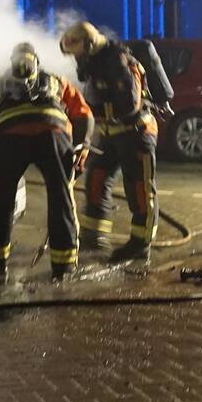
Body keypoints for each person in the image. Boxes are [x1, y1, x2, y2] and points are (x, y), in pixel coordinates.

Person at [0, 42, 94, 282]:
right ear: (37, 61)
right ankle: (64, 266)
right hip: (54, 137)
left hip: (9, 140)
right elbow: (84, 114)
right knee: (61, 198)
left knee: (1, 200)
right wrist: (80, 149)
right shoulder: (57, 80)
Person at [59, 21, 167, 263]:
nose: (76, 59)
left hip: (137, 132)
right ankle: (94, 238)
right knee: (96, 180)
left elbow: (129, 106)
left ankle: (140, 244)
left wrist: (92, 112)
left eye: (76, 52)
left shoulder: (118, 61)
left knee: (139, 189)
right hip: (110, 134)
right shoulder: (94, 61)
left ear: (88, 44)